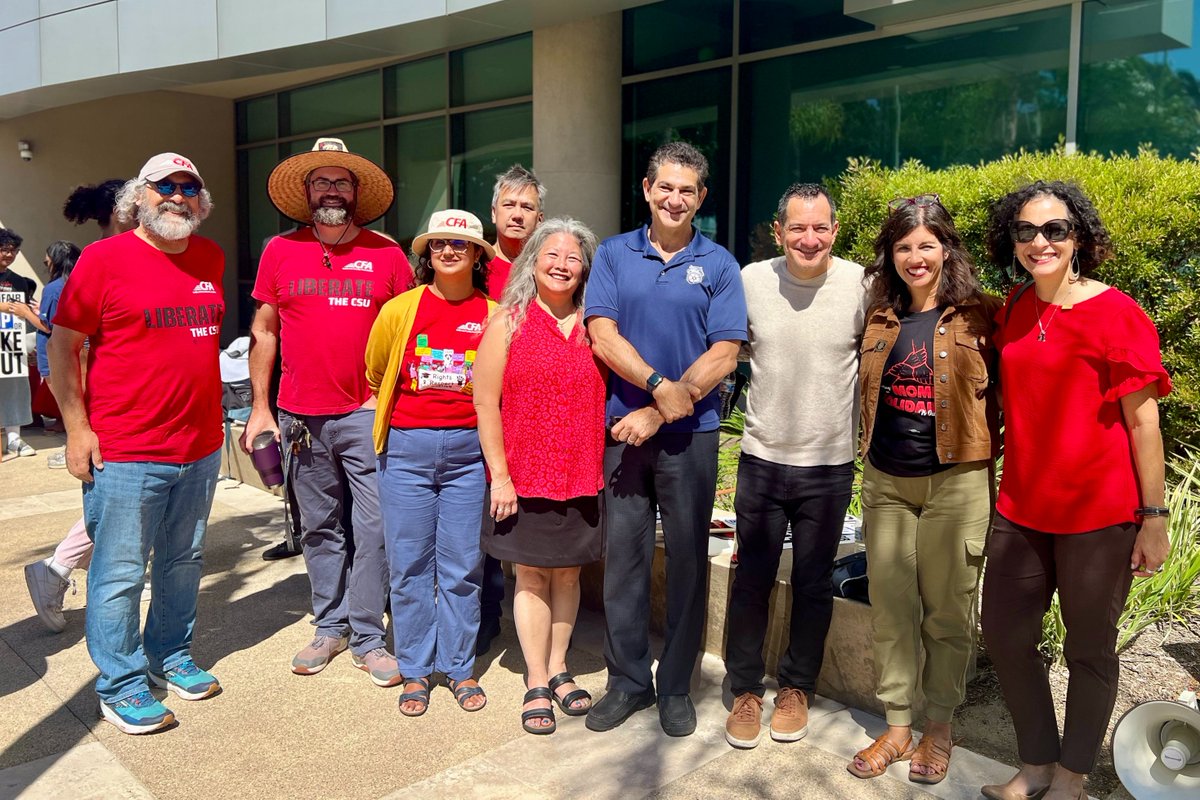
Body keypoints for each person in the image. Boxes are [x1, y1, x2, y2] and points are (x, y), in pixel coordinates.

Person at [979, 181, 1170, 800]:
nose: (1041, 242)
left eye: (1056, 230)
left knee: (1090, 650)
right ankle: (1036, 762)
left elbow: (1144, 423)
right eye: (1027, 232)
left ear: (1079, 237)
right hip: (1021, 509)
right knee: (1006, 636)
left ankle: (1071, 774)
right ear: (1012, 242)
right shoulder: (1012, 309)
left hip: (1100, 514)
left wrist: (1154, 516)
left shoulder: (1117, 313)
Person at [48, 153, 225, 734]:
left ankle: (168, 655)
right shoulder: (104, 260)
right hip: (125, 449)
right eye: (163, 187)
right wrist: (78, 430)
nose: (177, 196)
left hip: (198, 446)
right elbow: (63, 348)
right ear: (138, 198)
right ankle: (120, 684)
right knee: (120, 573)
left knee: (182, 561)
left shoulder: (210, 257)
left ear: (200, 200)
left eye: (188, 187)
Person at [584, 141, 747, 737]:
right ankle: (626, 681)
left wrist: (662, 411)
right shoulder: (611, 254)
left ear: (701, 198)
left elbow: (725, 351)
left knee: (686, 562)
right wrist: (657, 387)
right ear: (648, 191)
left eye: (688, 190)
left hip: (691, 437)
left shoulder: (720, 264)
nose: (676, 198)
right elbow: (601, 333)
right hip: (621, 434)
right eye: (666, 187)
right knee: (623, 561)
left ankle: (675, 684)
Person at [241, 137, 408, 687]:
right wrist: (259, 408)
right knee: (319, 527)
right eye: (321, 182)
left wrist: (383, 399)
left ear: (356, 194)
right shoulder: (279, 252)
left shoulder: (387, 253)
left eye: (341, 182)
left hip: (364, 413)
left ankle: (367, 634)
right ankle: (329, 625)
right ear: (306, 193)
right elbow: (264, 332)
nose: (331, 190)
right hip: (298, 417)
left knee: (377, 525)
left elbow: (405, 333)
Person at [847, 195, 1001, 784]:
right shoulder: (879, 317)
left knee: (949, 612)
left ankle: (939, 725)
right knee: (891, 608)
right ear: (891, 254)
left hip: (957, 483)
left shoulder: (982, 315)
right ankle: (897, 724)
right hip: (886, 481)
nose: (915, 257)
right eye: (904, 246)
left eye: (926, 245)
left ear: (946, 249)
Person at [722, 184, 868, 749]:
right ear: (778, 231)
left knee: (812, 584)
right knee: (752, 580)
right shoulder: (751, 280)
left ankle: (796, 687)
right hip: (761, 458)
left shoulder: (862, 285)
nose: (810, 239)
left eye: (821, 228)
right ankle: (742, 689)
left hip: (828, 466)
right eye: (798, 228)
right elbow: (721, 349)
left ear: (835, 230)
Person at [473, 217, 604, 735]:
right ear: (533, 261)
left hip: (581, 473)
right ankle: (534, 678)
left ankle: (559, 669)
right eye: (552, 254)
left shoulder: (598, 325)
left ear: (585, 269)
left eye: (574, 257)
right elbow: (484, 402)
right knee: (529, 575)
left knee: (569, 575)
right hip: (524, 475)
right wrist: (499, 477)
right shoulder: (508, 322)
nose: (562, 264)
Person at [365, 210, 497, 716]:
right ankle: (416, 670)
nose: (447, 252)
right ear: (426, 254)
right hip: (406, 451)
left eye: (459, 245)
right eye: (438, 244)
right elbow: (377, 372)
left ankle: (459, 668)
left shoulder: (494, 313)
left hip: (469, 454)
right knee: (410, 566)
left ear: (477, 256)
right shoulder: (400, 311)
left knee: (463, 566)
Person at [24, 182, 133, 632]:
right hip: (113, 404)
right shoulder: (106, 260)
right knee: (121, 502)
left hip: (125, 402)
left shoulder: (127, 255)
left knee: (125, 504)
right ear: (121, 211)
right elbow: (70, 345)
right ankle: (54, 571)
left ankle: (63, 569)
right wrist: (79, 421)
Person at [477, 163, 547, 656]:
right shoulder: (475, 262)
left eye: (527, 206)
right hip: (477, 406)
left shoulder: (551, 265)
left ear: (540, 216)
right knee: (477, 521)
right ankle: (481, 622)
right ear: (494, 211)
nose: (517, 214)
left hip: (531, 414)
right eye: (510, 205)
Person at [0, 228, 41, 458]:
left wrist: (29, 344)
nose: (9, 254)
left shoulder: (18, 282)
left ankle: (14, 438)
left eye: (13, 251)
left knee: (15, 389)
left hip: (11, 346)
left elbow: (25, 315)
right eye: (4, 249)